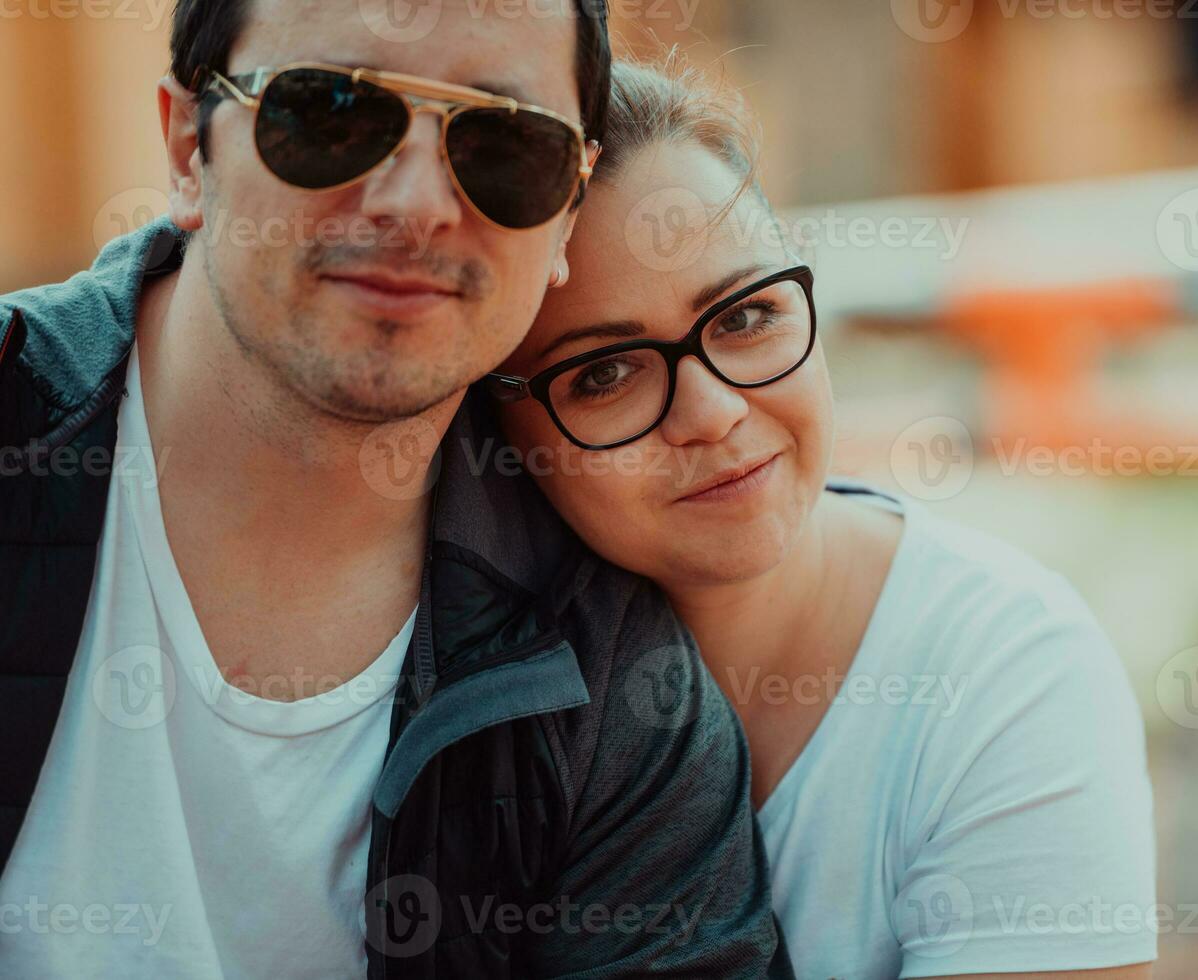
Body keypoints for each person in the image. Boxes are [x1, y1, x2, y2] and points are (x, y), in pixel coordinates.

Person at [0, 3, 793, 977]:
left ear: (563, 226)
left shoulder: (611, 680)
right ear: (185, 148)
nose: (417, 202)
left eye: (507, 142)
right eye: (331, 111)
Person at [488, 56, 1160, 980]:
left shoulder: (1002, 670)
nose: (715, 411)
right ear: (501, 431)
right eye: (603, 373)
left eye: (746, 315)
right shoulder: (460, 691)